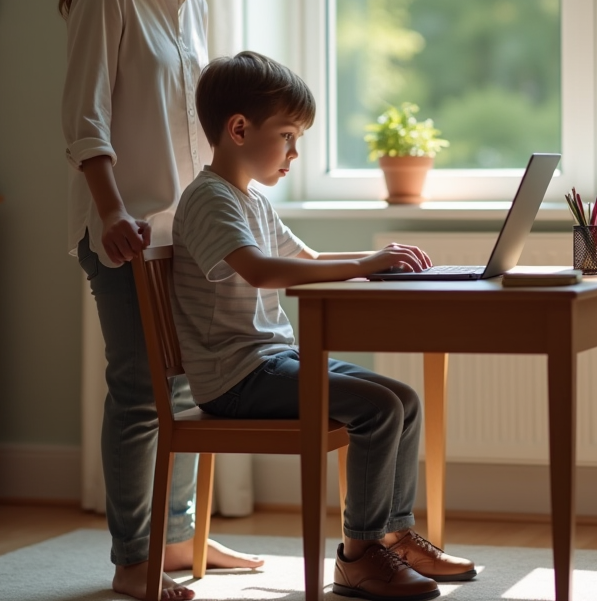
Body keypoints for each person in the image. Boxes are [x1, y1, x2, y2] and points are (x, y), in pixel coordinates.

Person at [171, 51, 478, 601]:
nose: (294, 152)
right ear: (239, 129)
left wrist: (378, 263)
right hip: (235, 379)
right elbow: (262, 270)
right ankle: (358, 557)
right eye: (287, 136)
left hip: (270, 363)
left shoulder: (253, 201)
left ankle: (393, 534)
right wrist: (365, 264)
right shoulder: (208, 199)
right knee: (378, 409)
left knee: (401, 398)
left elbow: (307, 259)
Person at [59, 0, 263, 601]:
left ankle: (178, 541)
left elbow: (196, 125)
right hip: (124, 232)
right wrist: (111, 213)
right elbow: (86, 119)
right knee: (141, 390)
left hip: (186, 230)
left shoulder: (191, 4)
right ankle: (132, 559)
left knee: (185, 394)